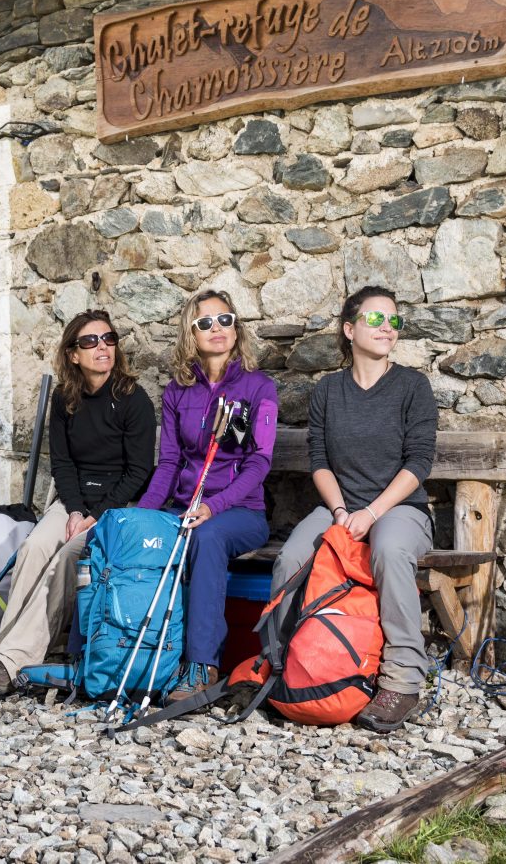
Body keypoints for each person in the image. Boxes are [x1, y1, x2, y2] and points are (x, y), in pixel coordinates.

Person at [270, 285, 438, 733]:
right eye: (375, 319)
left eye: (394, 320)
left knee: (389, 550)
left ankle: (402, 679)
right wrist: (342, 510)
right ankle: (284, 664)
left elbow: (418, 463)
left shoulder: (412, 386)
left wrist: (372, 513)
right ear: (349, 330)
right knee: (291, 557)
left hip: (400, 508)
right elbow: (320, 462)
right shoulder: (329, 390)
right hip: (340, 506)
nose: (387, 328)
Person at [0, 309, 155, 696]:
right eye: (90, 341)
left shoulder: (134, 400)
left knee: (67, 558)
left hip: (118, 508)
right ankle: (1, 652)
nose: (102, 347)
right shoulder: (65, 398)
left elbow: (138, 472)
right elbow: (63, 464)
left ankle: (11, 662)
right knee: (33, 547)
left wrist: (94, 515)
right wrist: (75, 509)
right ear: (73, 354)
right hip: (74, 501)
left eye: (108, 339)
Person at [136, 289, 277, 701]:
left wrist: (214, 506)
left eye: (225, 319)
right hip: (186, 507)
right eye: (205, 323)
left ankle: (202, 665)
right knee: (134, 539)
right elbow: (168, 464)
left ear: (236, 328)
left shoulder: (258, 387)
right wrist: (142, 517)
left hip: (240, 513)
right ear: (191, 334)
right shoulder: (177, 392)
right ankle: (124, 656)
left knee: (207, 537)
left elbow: (259, 463)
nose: (218, 328)